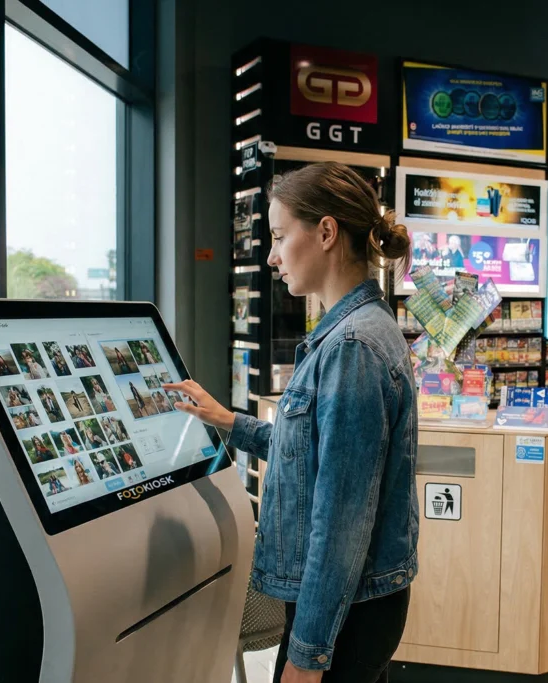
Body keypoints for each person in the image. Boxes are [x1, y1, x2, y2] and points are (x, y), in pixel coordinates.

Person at [165, 162, 417, 683]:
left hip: (343, 612)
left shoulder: (352, 348)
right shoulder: (358, 329)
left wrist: (307, 656)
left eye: (280, 236)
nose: (273, 256)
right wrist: (225, 419)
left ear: (326, 232)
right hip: (355, 602)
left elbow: (340, 522)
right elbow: (315, 453)